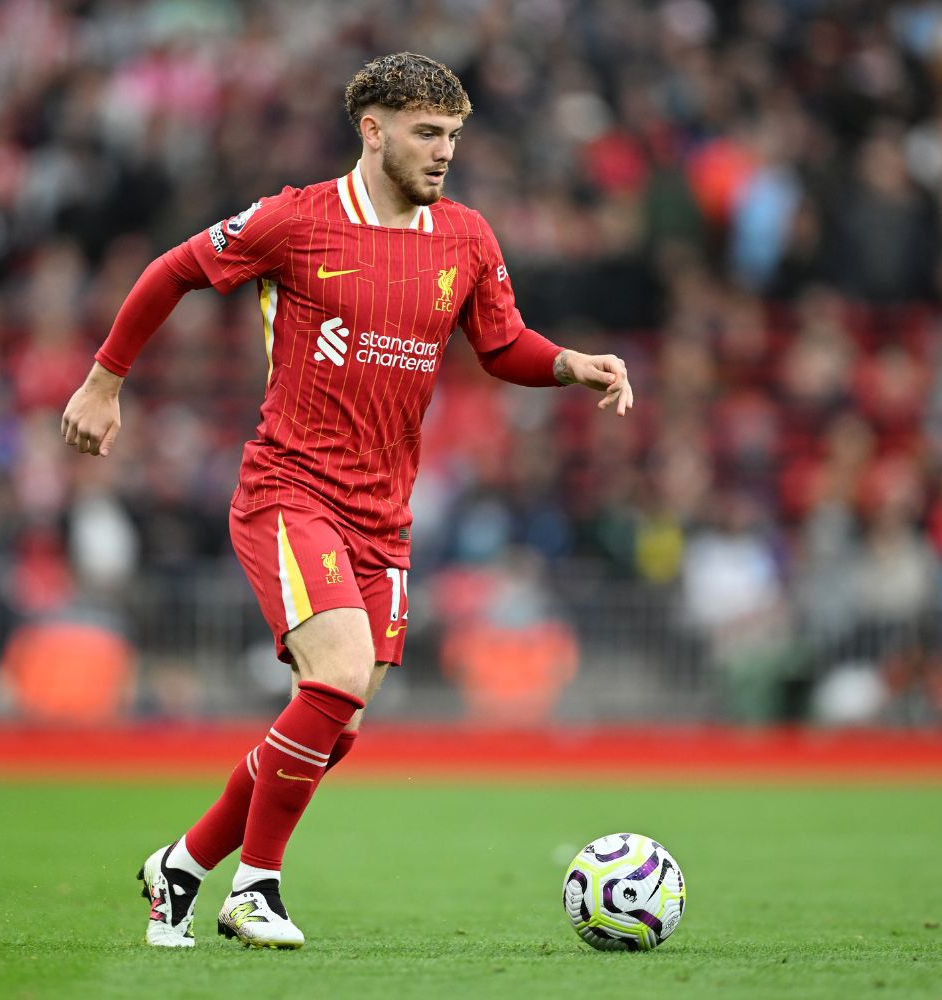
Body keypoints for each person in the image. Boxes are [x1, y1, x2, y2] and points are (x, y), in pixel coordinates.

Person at [61, 52, 635, 950]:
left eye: (453, 135)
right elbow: (172, 269)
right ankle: (256, 885)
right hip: (289, 489)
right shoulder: (297, 220)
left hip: (385, 515)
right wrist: (104, 382)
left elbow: (502, 344)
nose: (443, 152)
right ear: (373, 130)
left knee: (338, 723)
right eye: (426, 133)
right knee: (331, 679)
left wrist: (570, 364)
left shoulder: (468, 239)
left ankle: (183, 863)